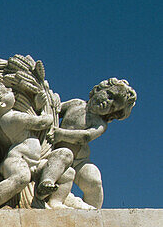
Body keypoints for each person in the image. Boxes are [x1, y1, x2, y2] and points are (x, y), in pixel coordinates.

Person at [37, 78, 137, 209]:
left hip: (80, 161)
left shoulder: (100, 124)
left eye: (112, 106)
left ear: (112, 114)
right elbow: (55, 110)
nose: (107, 103)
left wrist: (60, 134)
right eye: (109, 95)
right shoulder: (76, 103)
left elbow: (85, 137)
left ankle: (94, 213)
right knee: (63, 156)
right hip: (58, 152)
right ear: (98, 90)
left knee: (94, 180)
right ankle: (46, 185)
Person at [0, 80, 55, 209]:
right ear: (2, 103)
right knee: (21, 177)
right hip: (19, 159)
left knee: (66, 166)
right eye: (6, 92)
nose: (11, 92)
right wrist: (43, 108)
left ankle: (53, 198)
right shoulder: (13, 118)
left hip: (35, 161)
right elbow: (43, 123)